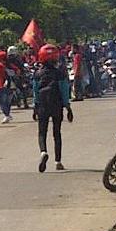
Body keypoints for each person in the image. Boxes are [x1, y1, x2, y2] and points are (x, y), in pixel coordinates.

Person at [32, 44, 72, 172]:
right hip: (57, 106)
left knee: (42, 132)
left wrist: (35, 107)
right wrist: (68, 108)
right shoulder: (60, 73)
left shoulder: (38, 74)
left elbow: (35, 92)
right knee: (57, 133)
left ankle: (43, 152)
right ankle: (58, 161)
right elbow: (65, 91)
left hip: (43, 106)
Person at [0, 51, 17, 123]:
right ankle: (7, 115)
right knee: (7, 102)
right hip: (10, 85)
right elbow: (17, 71)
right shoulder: (9, 65)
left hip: (0, 85)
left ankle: (6, 115)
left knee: (1, 102)